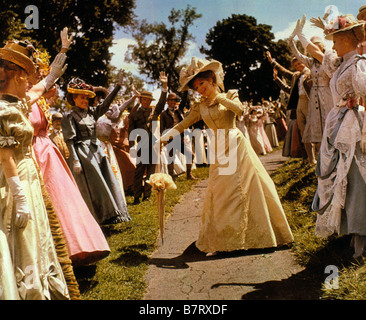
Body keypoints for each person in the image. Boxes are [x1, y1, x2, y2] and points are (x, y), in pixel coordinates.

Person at [156, 57, 294, 255]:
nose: (199, 89)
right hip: (219, 148)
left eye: (201, 84)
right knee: (221, 192)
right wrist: (165, 137)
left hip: (236, 144)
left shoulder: (230, 94)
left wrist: (218, 98)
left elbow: (239, 110)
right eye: (195, 87)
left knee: (244, 189)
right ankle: (227, 237)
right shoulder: (200, 106)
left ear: (212, 80)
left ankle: (254, 236)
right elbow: (183, 124)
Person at [0, 39, 70, 299]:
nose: (28, 82)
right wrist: (19, 199)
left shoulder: (17, 103)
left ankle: (41, 284)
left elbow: (41, 87)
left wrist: (58, 63)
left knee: (38, 233)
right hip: (14, 179)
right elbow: (6, 158)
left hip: (29, 175)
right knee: (21, 235)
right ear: (16, 76)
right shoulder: (4, 109)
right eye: (24, 77)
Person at [29, 47, 111, 266]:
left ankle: (77, 247)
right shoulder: (23, 97)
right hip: (33, 153)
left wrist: (64, 50)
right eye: (34, 70)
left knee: (64, 200)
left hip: (48, 153)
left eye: (38, 70)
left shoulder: (37, 96)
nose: (38, 74)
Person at [309, 13, 366, 259]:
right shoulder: (342, 63)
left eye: (335, 39)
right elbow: (318, 54)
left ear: (348, 39)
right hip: (340, 124)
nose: (332, 45)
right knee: (345, 179)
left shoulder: (358, 64)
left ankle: (361, 241)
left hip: (354, 127)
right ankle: (353, 236)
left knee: (356, 179)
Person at [62, 75, 130, 225]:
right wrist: (75, 160)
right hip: (83, 154)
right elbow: (70, 140)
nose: (85, 101)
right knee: (95, 185)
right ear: (73, 98)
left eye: (87, 98)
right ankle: (97, 218)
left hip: (97, 150)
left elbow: (105, 106)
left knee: (107, 181)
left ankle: (114, 213)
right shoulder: (69, 116)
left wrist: (117, 88)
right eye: (81, 98)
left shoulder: (91, 112)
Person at [288, 17, 336, 157]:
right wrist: (291, 42)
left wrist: (300, 33)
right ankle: (322, 156)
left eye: (317, 45)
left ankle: (332, 154)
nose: (314, 47)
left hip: (326, 93)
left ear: (321, 47)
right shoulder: (312, 63)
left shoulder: (327, 58)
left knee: (329, 123)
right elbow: (298, 56)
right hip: (315, 96)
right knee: (318, 127)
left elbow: (315, 49)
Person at [267, 52, 315, 163]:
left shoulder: (311, 73)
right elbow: (288, 87)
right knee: (303, 132)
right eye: (296, 65)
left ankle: (320, 155)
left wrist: (273, 62)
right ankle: (311, 158)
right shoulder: (295, 76)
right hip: (299, 104)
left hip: (310, 103)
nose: (298, 66)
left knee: (314, 130)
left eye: (300, 63)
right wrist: (276, 77)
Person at [128, 72, 168, 204]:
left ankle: (147, 195)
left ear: (151, 102)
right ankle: (136, 196)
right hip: (141, 146)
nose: (146, 101)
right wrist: (132, 147)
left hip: (154, 146)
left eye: (148, 100)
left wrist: (164, 86)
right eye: (144, 99)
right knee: (139, 172)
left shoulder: (155, 112)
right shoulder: (134, 115)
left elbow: (162, 103)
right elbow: (130, 132)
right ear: (140, 101)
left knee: (151, 172)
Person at [160, 92, 196, 180]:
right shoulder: (163, 114)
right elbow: (162, 128)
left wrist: (185, 89)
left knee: (190, 155)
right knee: (170, 159)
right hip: (170, 140)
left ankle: (189, 174)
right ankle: (171, 177)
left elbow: (184, 99)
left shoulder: (179, 110)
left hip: (181, 139)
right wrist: (164, 140)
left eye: (174, 100)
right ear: (167, 101)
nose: (172, 102)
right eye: (171, 100)